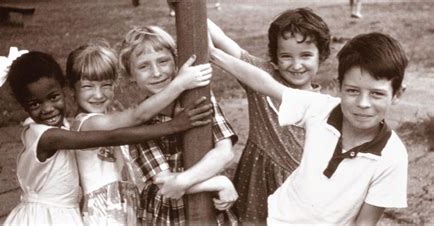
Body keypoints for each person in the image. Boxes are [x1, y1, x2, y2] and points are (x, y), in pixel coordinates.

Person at [0, 48, 213, 226]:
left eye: (53, 97)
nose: (47, 109)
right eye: (35, 104)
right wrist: (175, 123)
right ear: (22, 105)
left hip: (81, 211)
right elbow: (113, 136)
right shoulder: (48, 135)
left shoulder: (63, 126)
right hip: (49, 217)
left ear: (63, 90)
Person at [210, 32, 408, 225]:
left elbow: (365, 222)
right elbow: (265, 84)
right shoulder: (320, 108)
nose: (363, 103)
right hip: (276, 217)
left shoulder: (392, 156)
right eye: (353, 91)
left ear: (397, 94)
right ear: (339, 86)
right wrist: (213, 54)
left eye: (377, 94)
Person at [66, 40, 213, 225]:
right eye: (88, 86)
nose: (98, 94)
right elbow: (137, 116)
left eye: (106, 85)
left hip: (127, 204)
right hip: (102, 213)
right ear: (72, 90)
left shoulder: (110, 116)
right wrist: (179, 85)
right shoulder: (85, 123)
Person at [207, 7, 331, 224]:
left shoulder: (323, 106)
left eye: (306, 55)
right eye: (286, 56)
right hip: (255, 182)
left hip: (296, 192)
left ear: (322, 56)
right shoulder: (260, 76)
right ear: (274, 57)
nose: (296, 65)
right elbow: (220, 38)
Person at [118, 26, 239, 225]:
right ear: (131, 75)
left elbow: (225, 152)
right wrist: (218, 182)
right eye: (143, 66)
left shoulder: (198, 97)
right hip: (167, 213)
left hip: (210, 208)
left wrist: (183, 181)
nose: (156, 73)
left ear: (175, 62)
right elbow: (164, 184)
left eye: (163, 61)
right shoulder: (141, 119)